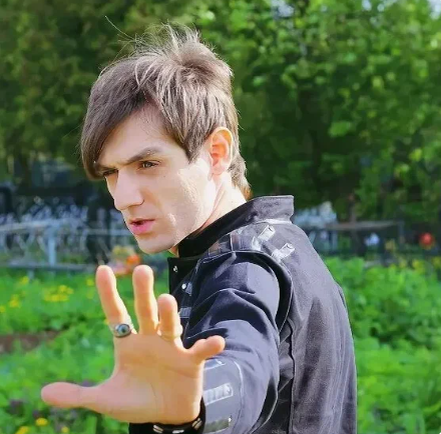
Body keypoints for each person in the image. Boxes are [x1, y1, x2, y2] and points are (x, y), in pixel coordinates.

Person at [41, 25, 357, 434]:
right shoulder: (282, 240)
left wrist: (199, 401)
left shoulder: (242, 267)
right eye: (111, 173)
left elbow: (241, 355)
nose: (122, 198)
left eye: (147, 164)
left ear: (216, 153)